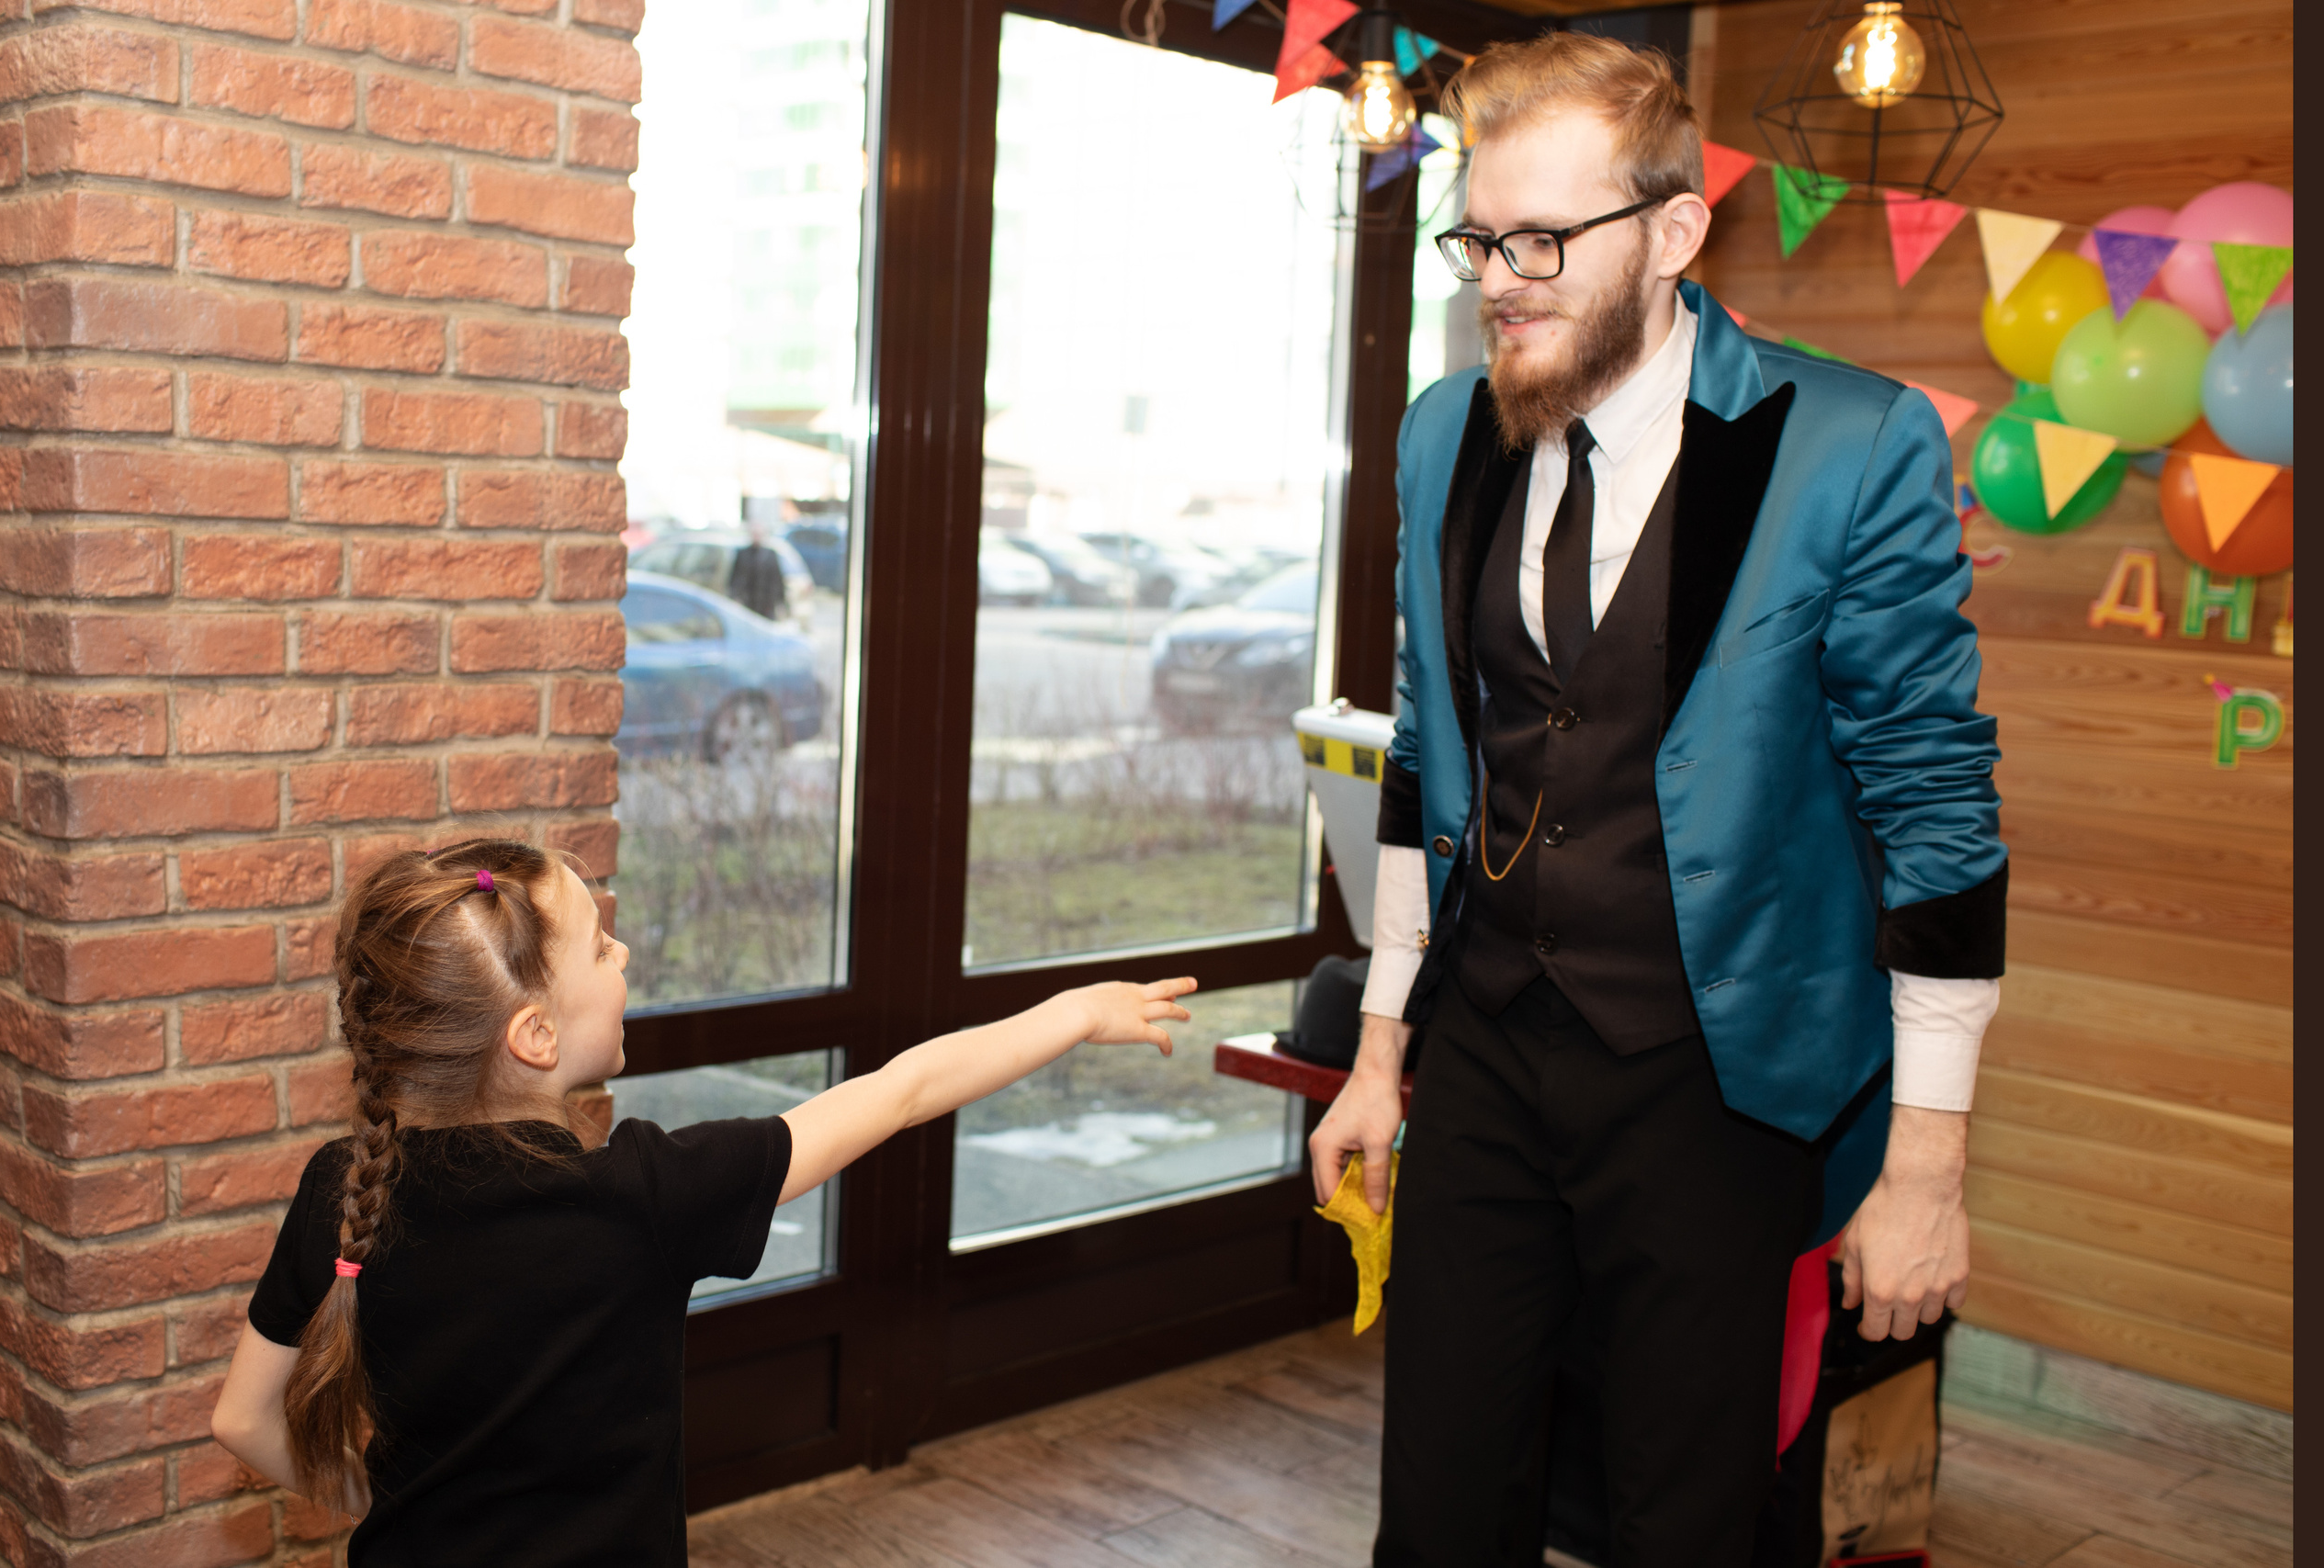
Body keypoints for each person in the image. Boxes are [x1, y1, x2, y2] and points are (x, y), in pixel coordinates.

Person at [1306, 34, 2005, 1567]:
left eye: (1546, 241)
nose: (1503, 278)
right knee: (1436, 1502)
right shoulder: (1444, 430)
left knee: (1685, 1518)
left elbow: (1940, 820)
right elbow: (1437, 748)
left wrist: (1926, 1173)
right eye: (1481, 237)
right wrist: (1378, 1051)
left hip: (1719, 1076)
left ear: (1676, 233)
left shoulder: (1848, 444)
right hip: (1486, 1048)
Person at [210, 839, 1192, 1566]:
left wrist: (372, 1496)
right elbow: (896, 1092)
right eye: (601, 948)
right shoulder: (641, 1196)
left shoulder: (342, 1189)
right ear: (536, 1035)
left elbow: (243, 1422)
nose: (624, 954)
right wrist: (1076, 1012)